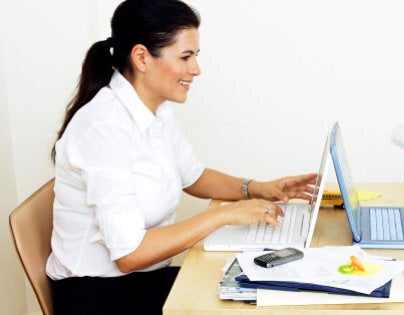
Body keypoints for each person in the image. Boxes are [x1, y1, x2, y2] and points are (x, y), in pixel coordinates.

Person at [46, 1, 317, 314]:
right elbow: (129, 253)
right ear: (141, 57)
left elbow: (193, 176)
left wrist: (259, 188)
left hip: (141, 280)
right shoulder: (103, 128)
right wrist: (224, 216)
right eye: (185, 57)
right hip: (99, 295)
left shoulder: (156, 109)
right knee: (252, 302)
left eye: (196, 57)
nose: (196, 69)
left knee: (265, 289)